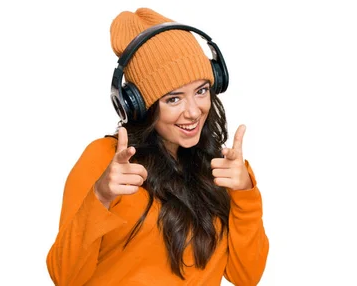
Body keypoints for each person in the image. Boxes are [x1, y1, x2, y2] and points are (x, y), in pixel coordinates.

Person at [46, 7, 269, 286]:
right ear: (141, 105)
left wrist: (245, 192)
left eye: (201, 91)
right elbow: (64, 277)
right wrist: (100, 196)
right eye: (173, 99)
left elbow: (246, 276)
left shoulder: (221, 168)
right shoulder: (105, 159)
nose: (193, 112)